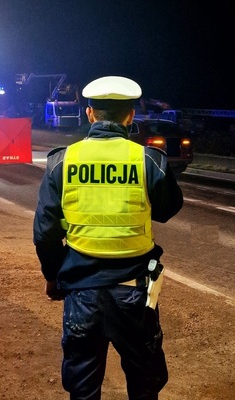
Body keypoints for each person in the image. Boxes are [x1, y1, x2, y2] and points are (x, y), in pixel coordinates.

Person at [33, 76, 183, 400]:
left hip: (81, 294)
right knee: (144, 386)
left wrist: (52, 277)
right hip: (133, 294)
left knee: (83, 389)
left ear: (89, 114)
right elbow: (169, 208)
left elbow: (45, 233)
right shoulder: (148, 161)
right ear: (130, 116)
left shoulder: (62, 161)